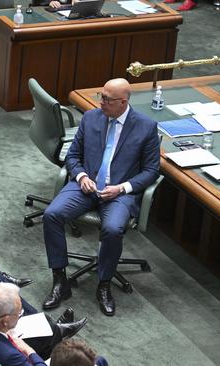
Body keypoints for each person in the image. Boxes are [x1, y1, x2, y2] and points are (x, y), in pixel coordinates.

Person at [41, 78, 160, 316]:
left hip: (118, 194)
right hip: (86, 186)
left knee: (114, 229)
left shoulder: (146, 127)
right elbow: (73, 156)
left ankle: (104, 285)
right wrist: (82, 176)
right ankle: (60, 280)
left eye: (107, 99)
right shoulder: (91, 118)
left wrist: (122, 188)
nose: (101, 102)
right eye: (101, 96)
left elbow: (151, 171)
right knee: (52, 214)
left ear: (123, 102)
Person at [0, 283, 48, 366]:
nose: (20, 314)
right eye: (19, 312)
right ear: (5, 321)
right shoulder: (12, 356)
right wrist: (29, 350)